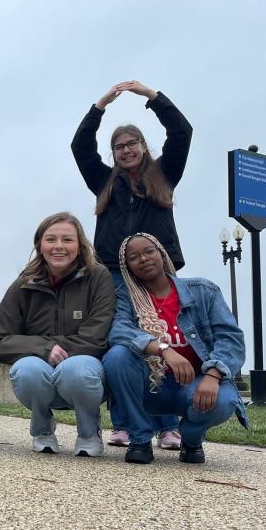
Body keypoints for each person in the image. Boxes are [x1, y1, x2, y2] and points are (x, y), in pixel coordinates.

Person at [70, 80, 192, 448]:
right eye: (118, 147)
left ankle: (168, 424)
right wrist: (100, 105)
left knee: (163, 339)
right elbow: (80, 147)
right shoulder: (104, 181)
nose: (125, 151)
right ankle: (122, 422)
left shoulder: (165, 173)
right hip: (113, 273)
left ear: (143, 146)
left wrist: (150, 97)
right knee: (120, 346)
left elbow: (182, 131)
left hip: (157, 271)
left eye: (131, 144)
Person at [103, 233, 248, 465]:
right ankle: (140, 440)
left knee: (223, 401)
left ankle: (191, 439)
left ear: (162, 254)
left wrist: (213, 375)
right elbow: (119, 332)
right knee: (116, 356)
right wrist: (164, 349)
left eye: (149, 251)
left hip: (195, 384)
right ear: (127, 267)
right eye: (134, 257)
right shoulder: (126, 298)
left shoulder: (203, 291)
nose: (143, 259)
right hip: (150, 385)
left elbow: (231, 338)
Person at [0, 213, 115, 456]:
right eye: (51, 240)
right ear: (40, 245)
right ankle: (42, 430)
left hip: (86, 369)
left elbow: (96, 337)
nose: (59, 246)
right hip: (41, 369)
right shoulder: (23, 285)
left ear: (79, 246)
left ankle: (89, 432)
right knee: (27, 369)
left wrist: (57, 351)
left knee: (76, 369)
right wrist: (44, 349)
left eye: (67, 240)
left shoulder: (99, 277)